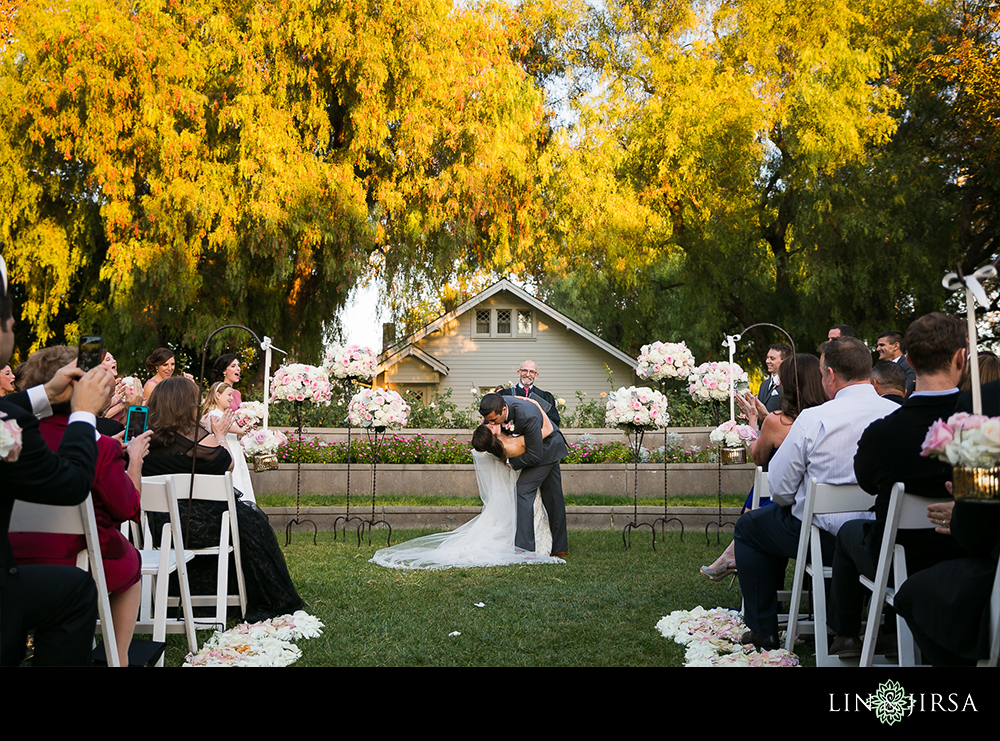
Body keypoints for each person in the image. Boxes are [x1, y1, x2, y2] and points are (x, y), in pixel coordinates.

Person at [733, 337, 898, 650]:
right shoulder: (894, 412)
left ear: (831, 375)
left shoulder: (815, 418)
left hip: (819, 537)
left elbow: (780, 490)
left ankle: (762, 628)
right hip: (880, 535)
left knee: (749, 528)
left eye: (823, 374)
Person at [826, 313, 970, 657]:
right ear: (961, 358)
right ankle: (887, 631)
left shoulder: (883, 433)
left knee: (849, 532)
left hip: (899, 562)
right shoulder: (983, 425)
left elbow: (867, 483)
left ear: (911, 361)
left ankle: (846, 633)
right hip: (968, 554)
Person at [0, 254, 113, 666]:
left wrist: (45, 393)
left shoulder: (10, 414)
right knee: (75, 590)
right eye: (7, 316)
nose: (11, 324)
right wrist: (83, 413)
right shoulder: (5, 429)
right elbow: (68, 484)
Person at [9, 345, 152, 665]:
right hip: (77, 560)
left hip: (13, 555)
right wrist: (133, 463)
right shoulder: (98, 444)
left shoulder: (15, 435)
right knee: (131, 561)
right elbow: (127, 508)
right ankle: (120, 656)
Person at [143, 377, 301, 622]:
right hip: (205, 530)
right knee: (250, 523)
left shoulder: (143, 441)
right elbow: (228, 465)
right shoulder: (200, 439)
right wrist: (218, 435)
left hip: (159, 530)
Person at [370, 408, 565, 569]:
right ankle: (529, 548)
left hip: (510, 487)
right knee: (530, 505)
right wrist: (535, 406)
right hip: (527, 477)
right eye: (490, 424)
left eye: (491, 422)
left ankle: (528, 544)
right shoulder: (515, 444)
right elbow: (546, 431)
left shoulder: (495, 448)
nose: (491, 424)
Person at [701, 355, 826, 580]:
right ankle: (731, 554)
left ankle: (737, 559)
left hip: (795, 509)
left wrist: (753, 421)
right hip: (830, 512)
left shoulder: (780, 421)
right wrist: (766, 418)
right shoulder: (828, 415)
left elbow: (758, 456)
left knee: (757, 509)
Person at [479, 392, 568, 557]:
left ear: (504, 410)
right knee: (553, 496)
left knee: (523, 490)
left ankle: (525, 549)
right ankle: (559, 547)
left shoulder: (527, 416)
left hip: (547, 448)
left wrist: (511, 464)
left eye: (493, 421)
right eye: (488, 420)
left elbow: (535, 456)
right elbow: (487, 423)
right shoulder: (496, 406)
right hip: (539, 447)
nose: (490, 423)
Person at [200, 380, 255, 503]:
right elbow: (223, 425)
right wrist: (240, 430)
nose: (231, 399)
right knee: (234, 478)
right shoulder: (213, 413)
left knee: (241, 477)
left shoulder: (226, 413)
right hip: (225, 450)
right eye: (229, 395)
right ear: (218, 395)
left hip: (234, 449)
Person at [498, 359, 560, 426]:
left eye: (531, 372)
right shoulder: (504, 395)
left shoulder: (545, 397)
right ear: (518, 373)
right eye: (524, 370)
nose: (527, 374)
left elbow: (554, 422)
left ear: (536, 376)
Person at [875, 330, 916, 395]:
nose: (877, 349)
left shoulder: (909, 367)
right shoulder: (880, 369)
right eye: (878, 346)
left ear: (896, 346)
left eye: (882, 345)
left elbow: (906, 391)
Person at [756, 343, 791, 414]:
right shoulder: (764, 385)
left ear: (784, 361)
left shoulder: (790, 384)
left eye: (772, 358)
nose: (767, 361)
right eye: (767, 357)